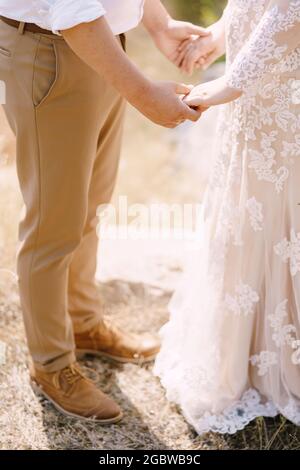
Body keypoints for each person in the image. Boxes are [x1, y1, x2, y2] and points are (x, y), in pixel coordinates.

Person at [0, 0, 205, 424]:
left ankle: (82, 322)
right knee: (53, 224)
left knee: (89, 207)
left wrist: (159, 21)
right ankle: (52, 365)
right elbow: (72, 11)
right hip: (52, 48)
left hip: (102, 44)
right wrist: (145, 94)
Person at [155, 0, 300, 434]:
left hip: (282, 101)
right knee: (248, 218)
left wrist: (227, 86)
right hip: (253, 101)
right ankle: (242, 356)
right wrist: (217, 36)